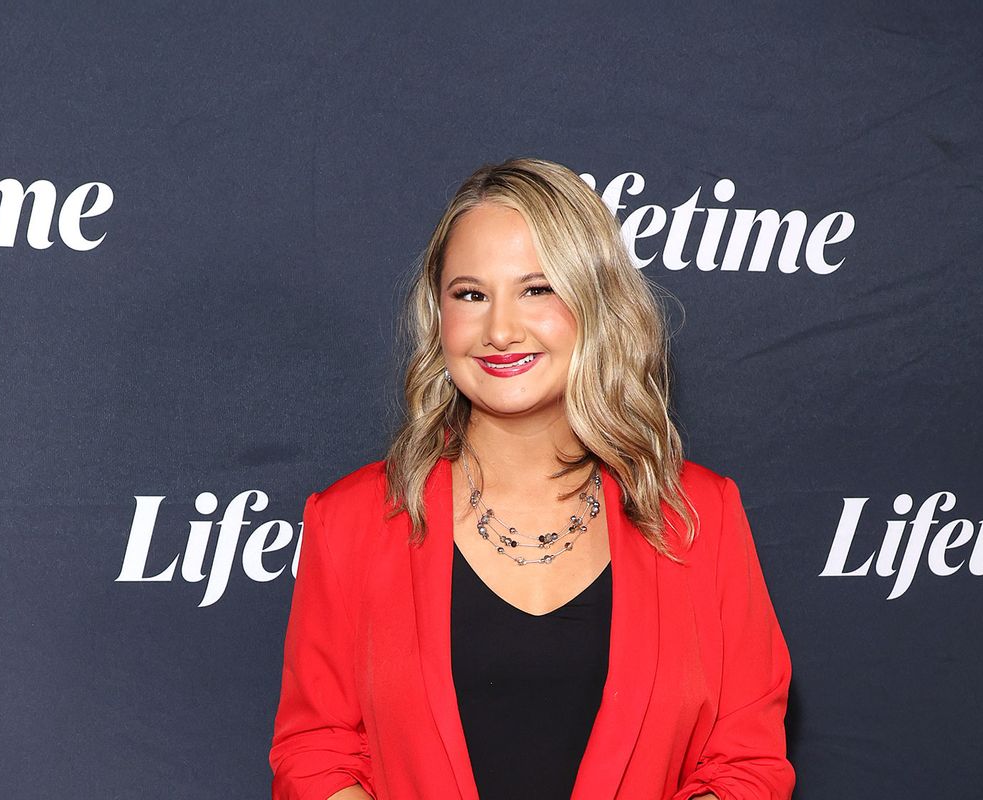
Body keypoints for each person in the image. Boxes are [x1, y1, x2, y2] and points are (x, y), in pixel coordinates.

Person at [269, 157, 795, 799]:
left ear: (597, 304)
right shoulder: (351, 519)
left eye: (537, 289)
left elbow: (744, 763)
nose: (500, 330)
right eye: (471, 294)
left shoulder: (699, 515)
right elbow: (318, 752)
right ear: (439, 318)